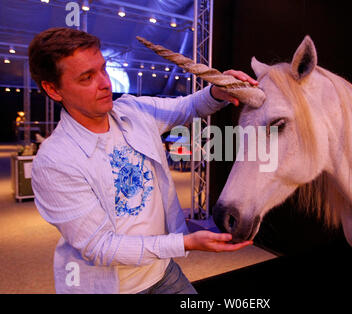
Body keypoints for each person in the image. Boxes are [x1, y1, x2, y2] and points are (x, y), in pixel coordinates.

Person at [29, 27, 256, 294]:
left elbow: (189, 107)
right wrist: (183, 243)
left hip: (162, 273)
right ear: (53, 90)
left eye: (103, 68)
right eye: (86, 77)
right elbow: (99, 246)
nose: (105, 83)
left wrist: (218, 92)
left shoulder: (132, 110)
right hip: (113, 288)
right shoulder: (55, 161)